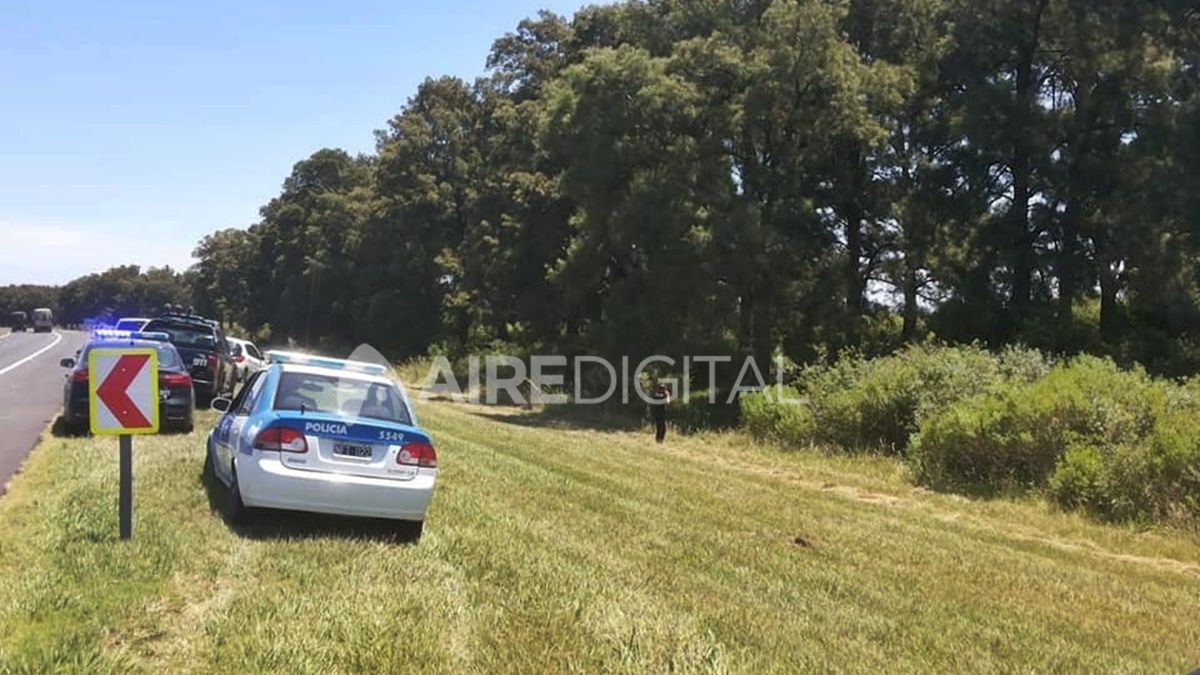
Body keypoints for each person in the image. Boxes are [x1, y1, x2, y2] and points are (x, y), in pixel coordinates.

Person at [649, 377, 671, 444]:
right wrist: (667, 395)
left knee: (659, 427)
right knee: (663, 428)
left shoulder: (656, 395)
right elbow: (668, 402)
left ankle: (658, 440)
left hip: (656, 413)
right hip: (662, 413)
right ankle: (660, 440)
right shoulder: (664, 395)